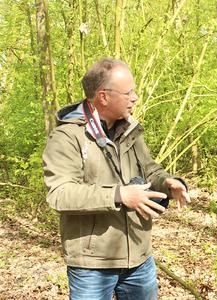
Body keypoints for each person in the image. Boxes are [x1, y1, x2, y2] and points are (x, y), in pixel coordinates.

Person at [43, 58, 190, 300]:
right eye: (129, 92)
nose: (135, 98)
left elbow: (150, 170)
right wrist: (119, 194)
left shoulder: (129, 129)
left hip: (139, 257)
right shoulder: (66, 137)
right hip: (91, 265)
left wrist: (168, 183)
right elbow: (60, 194)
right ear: (103, 97)